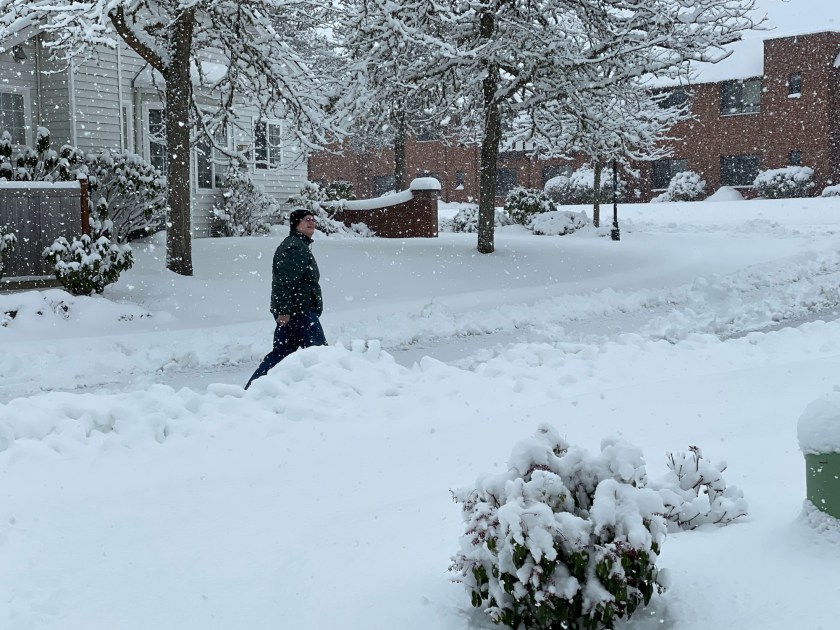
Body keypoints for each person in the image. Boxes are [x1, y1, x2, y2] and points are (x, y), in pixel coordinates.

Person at [245, 209, 327, 389]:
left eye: (313, 219)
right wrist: (283, 311)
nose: (311, 222)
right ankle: (324, 391)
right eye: (306, 220)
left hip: (297, 312)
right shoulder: (295, 247)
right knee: (320, 356)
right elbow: (283, 282)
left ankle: (254, 389)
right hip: (301, 313)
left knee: (281, 355)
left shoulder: (298, 245)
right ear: (296, 224)